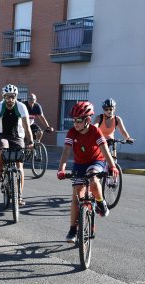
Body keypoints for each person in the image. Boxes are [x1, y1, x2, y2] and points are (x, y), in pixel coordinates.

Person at [56, 101, 119, 243]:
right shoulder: (72, 132)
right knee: (76, 195)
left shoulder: (95, 131)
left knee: (93, 180)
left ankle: (101, 202)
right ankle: (73, 229)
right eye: (74, 120)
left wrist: (112, 166)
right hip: (79, 164)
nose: (75, 124)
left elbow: (104, 150)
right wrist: (61, 169)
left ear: (88, 120)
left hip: (96, 161)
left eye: (79, 120)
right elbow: (66, 152)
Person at [0, 84, 34, 206]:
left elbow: (26, 127)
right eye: (7, 97)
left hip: (17, 136)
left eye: (12, 97)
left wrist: (30, 142)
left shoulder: (21, 107)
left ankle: (19, 195)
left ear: (16, 97)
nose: (10, 100)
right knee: (2, 148)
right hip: (2, 134)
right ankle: (0, 170)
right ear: (3, 97)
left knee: (19, 165)